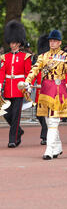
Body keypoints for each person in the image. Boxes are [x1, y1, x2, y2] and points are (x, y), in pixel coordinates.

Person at [24, 29, 67, 160]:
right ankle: (58, 146)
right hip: (45, 90)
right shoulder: (43, 56)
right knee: (48, 120)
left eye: (55, 41)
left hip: (58, 91)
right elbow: (34, 70)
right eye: (51, 41)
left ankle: (49, 149)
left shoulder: (66, 58)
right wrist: (27, 81)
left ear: (60, 42)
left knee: (53, 120)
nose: (52, 43)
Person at [0, 20, 32, 148]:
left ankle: (12, 139)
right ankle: (19, 131)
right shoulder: (5, 57)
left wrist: (27, 86)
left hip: (19, 88)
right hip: (8, 88)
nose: (12, 45)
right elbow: (2, 72)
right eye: (11, 42)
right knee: (6, 113)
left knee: (16, 115)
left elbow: (29, 73)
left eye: (14, 42)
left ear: (19, 43)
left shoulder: (25, 57)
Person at [34, 35, 50, 145]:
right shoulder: (38, 63)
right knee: (38, 114)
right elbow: (34, 74)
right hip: (39, 92)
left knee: (45, 114)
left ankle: (45, 136)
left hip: (49, 91)